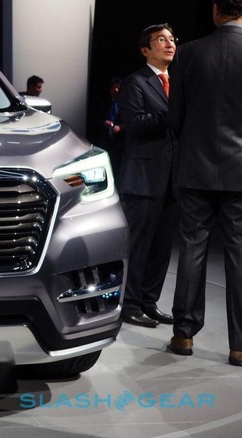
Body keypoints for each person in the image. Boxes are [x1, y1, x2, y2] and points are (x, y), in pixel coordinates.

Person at [167, 0, 242, 366]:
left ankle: (183, 334)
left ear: (215, 10)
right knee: (239, 255)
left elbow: (175, 115)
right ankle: (240, 345)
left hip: (195, 167)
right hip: (241, 171)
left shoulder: (189, 53)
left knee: (192, 249)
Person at [116, 23, 178, 328]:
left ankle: (149, 302)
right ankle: (129, 304)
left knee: (162, 247)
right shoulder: (135, 82)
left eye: (172, 39)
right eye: (161, 39)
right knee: (138, 247)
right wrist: (172, 113)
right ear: (146, 49)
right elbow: (134, 124)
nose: (170, 44)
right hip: (143, 177)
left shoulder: (178, 83)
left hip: (174, 178)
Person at [95, 77, 125, 181]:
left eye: (118, 87)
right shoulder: (104, 103)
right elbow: (95, 121)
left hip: (121, 142)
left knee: (119, 169)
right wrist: (104, 123)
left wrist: (120, 127)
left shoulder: (127, 104)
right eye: (113, 88)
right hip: (106, 142)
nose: (115, 90)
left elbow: (132, 122)